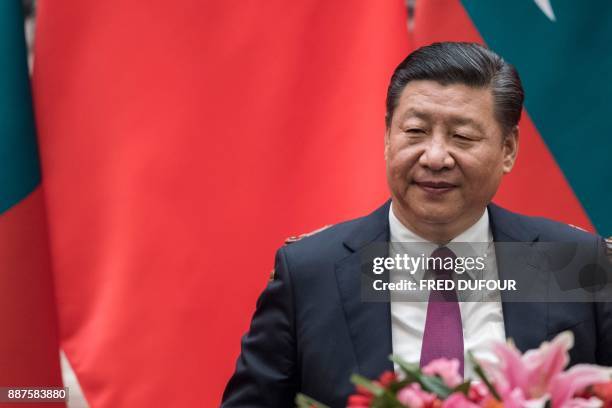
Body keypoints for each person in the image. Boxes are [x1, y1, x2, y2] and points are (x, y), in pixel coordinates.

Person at [221, 42, 612, 407]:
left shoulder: (574, 263)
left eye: (462, 136)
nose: (436, 156)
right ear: (388, 137)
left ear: (508, 149)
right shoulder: (309, 272)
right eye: (415, 132)